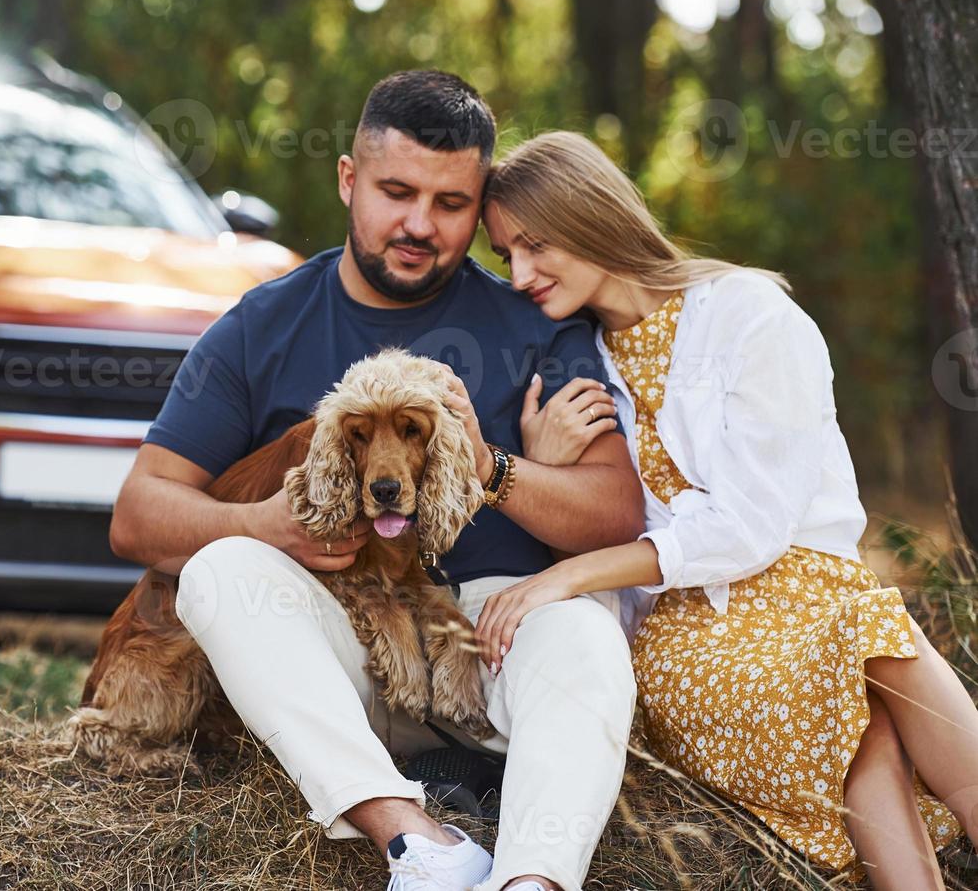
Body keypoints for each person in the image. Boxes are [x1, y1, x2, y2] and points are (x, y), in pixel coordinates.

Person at [110, 71, 646, 891]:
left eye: (451, 204)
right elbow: (138, 514)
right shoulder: (265, 325)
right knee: (221, 570)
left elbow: (616, 514)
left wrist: (492, 466)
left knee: (584, 633)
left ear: (481, 206)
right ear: (348, 180)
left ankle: (531, 882)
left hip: (493, 639)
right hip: (341, 654)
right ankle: (419, 845)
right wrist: (266, 529)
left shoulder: (534, 321)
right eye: (397, 192)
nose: (420, 225)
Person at [475, 129, 973, 889]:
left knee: (863, 657)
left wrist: (566, 578)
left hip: (806, 581)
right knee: (856, 664)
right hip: (681, 635)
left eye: (535, 246)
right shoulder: (578, 362)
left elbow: (750, 525)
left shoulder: (746, 314)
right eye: (506, 254)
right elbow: (591, 516)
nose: (520, 275)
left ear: (589, 215)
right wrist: (543, 466)